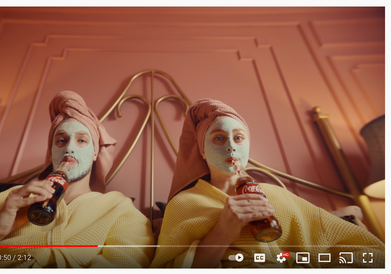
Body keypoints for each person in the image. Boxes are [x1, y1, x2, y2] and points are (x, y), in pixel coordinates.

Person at [0, 91, 155, 268]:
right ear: (51, 153)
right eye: (61, 141)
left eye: (82, 141)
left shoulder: (119, 209)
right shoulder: (7, 201)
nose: (69, 148)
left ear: (95, 153)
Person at [150, 98, 385, 268]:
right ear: (202, 150)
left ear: (246, 146)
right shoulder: (183, 204)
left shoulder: (278, 195)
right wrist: (222, 233)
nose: (231, 146)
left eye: (238, 138)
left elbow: (368, 252)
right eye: (218, 138)